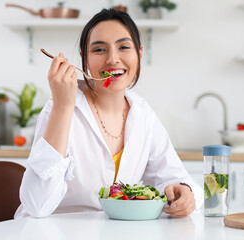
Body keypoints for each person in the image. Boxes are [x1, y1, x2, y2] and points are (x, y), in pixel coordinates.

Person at [14, 8, 203, 218]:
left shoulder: (142, 113)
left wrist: (184, 191)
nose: (112, 59)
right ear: (84, 59)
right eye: (99, 50)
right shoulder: (60, 106)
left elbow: (175, 177)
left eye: (123, 47)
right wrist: (63, 107)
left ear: (139, 54)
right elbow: (36, 205)